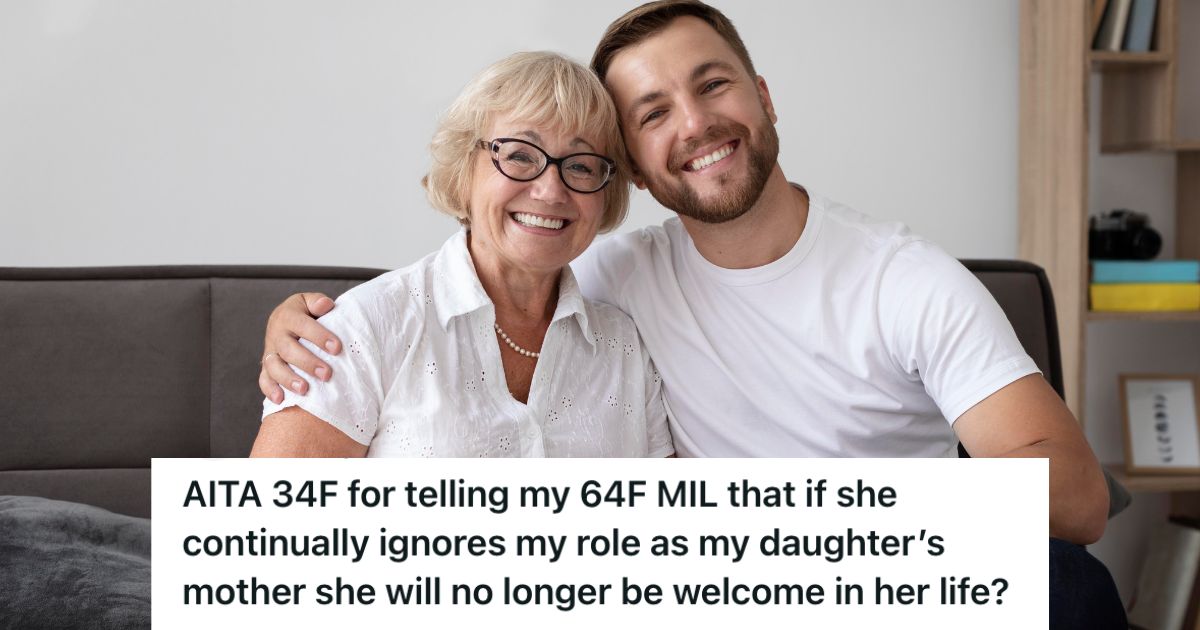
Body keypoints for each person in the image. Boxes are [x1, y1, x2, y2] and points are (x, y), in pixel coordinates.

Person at [256, 4, 1124, 625]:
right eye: (655, 112)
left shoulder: (906, 282)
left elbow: (1081, 502)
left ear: (764, 94)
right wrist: (299, 320)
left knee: (1059, 583)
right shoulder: (604, 275)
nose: (698, 124)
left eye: (715, 86)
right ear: (636, 163)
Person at [250, 51, 673, 459]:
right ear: (463, 168)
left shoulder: (627, 348)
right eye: (520, 155)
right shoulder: (363, 328)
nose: (550, 190)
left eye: (581, 165)